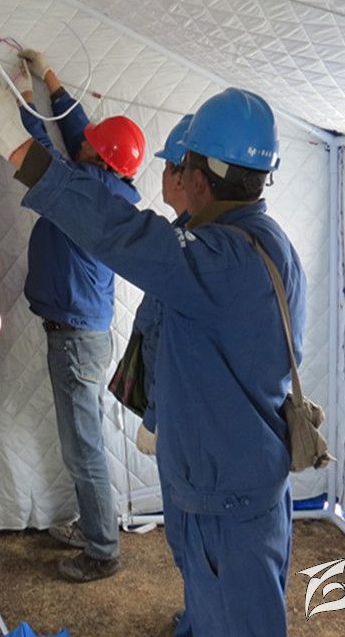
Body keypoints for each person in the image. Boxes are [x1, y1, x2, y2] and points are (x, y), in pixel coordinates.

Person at [0, 84, 306, 636]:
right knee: (209, 594)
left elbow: (121, 231)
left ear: (199, 178)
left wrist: (20, 147)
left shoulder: (224, 257)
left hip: (226, 488)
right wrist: (159, 415)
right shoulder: (247, 241)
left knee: (240, 617)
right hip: (218, 475)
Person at [12, 49, 145, 583]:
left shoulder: (84, 190)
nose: (82, 141)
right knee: (83, 443)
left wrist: (24, 97)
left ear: (100, 160)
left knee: (83, 448)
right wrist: (50, 79)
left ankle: (102, 549)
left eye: (91, 146)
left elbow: (43, 152)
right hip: (83, 333)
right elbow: (82, 135)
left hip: (74, 340)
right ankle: (95, 526)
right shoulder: (108, 184)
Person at [132, 113, 192, 458]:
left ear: (182, 178)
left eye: (167, 167)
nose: (163, 176)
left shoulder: (181, 250)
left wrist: (154, 419)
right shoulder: (194, 239)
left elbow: (171, 348)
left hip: (176, 419)